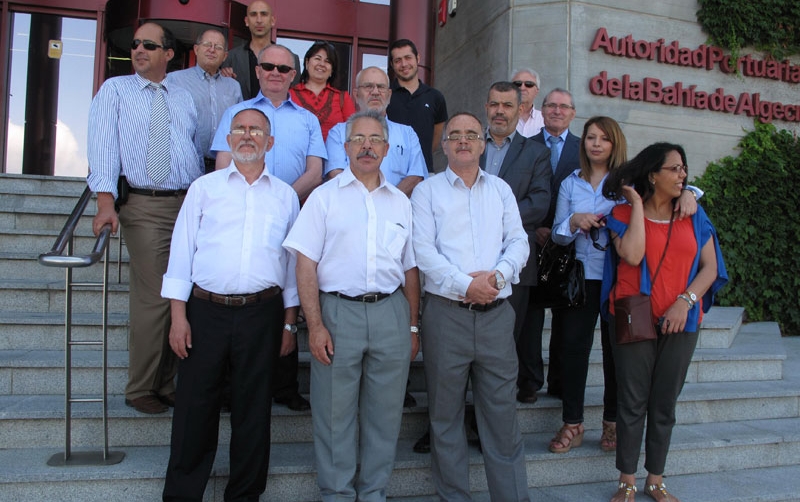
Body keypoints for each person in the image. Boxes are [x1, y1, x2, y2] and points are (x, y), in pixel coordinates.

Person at [161, 108, 299, 501]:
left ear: (269, 142)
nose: (247, 135)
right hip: (205, 313)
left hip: (263, 313)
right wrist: (178, 318)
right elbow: (181, 254)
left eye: (256, 130)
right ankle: (183, 495)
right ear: (229, 139)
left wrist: (289, 324)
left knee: (253, 412)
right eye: (240, 129)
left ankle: (244, 496)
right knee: (193, 410)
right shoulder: (204, 189)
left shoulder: (286, 197)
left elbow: (291, 265)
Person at [283, 110, 420, 501]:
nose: (367, 146)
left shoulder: (400, 203)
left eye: (375, 139)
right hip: (338, 313)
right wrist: (315, 325)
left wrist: (412, 325)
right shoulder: (324, 199)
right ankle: (337, 494)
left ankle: (373, 493)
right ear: (345, 148)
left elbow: (410, 269)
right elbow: (304, 263)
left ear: (387, 149)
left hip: (391, 313)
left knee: (385, 415)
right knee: (333, 416)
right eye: (358, 139)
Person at [411, 112, 530, 501]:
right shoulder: (427, 192)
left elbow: (519, 242)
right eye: (455, 135)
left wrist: (495, 278)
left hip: (496, 317)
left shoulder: (500, 190)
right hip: (446, 317)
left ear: (483, 144)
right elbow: (422, 252)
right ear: (443, 145)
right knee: (445, 419)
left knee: (502, 420)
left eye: (471, 135)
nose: (463, 141)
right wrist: (467, 285)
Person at [86, 22, 202, 415]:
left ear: (168, 54)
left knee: (182, 295)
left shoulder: (184, 96)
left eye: (149, 45)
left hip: (186, 205)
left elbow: (189, 148)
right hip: (144, 206)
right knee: (155, 298)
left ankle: (166, 383)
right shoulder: (115, 91)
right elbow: (102, 146)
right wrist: (105, 201)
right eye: (135, 44)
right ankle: (140, 386)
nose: (138, 50)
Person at [601, 142, 727, 502]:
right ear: (653, 174)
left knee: (664, 403)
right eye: (674, 169)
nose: (682, 175)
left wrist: (685, 303)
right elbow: (634, 254)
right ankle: (627, 479)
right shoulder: (622, 214)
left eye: (683, 169)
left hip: (681, 320)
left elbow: (710, 268)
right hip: (633, 316)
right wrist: (638, 204)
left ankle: (655, 479)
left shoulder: (694, 214)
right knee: (631, 401)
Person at [212, 44, 326, 411]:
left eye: (284, 68)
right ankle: (231, 387)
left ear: (294, 75)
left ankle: (285, 384)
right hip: (239, 213)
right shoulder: (236, 113)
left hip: (292, 212)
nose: (275, 72)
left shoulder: (308, 119)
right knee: (245, 287)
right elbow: (222, 166)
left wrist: (281, 198)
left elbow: (315, 171)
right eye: (268, 66)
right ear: (258, 71)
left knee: (287, 286)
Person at [548, 116, 629, 454]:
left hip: (617, 279)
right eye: (590, 137)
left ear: (614, 145)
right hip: (579, 279)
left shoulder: (628, 184)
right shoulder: (570, 184)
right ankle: (573, 421)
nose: (595, 143)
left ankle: (611, 422)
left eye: (603, 138)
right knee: (572, 350)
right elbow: (556, 234)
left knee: (616, 354)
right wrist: (573, 220)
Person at [481, 81, 552, 406]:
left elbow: (539, 203)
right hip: (466, 265)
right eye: (494, 104)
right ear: (487, 107)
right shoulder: (468, 144)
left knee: (504, 345)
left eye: (507, 105)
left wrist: (491, 216)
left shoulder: (536, 153)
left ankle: (490, 421)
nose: (500, 111)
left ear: (520, 109)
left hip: (516, 265)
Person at [325, 66, 426, 197]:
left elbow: (416, 176)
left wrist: (387, 201)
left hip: (395, 212)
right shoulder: (338, 132)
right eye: (368, 86)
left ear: (389, 95)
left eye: (381, 87)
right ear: (356, 94)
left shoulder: (407, 134)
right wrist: (367, 201)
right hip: (351, 209)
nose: (375, 92)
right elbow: (335, 173)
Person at [169, 29, 242, 173]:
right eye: (207, 44)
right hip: (185, 164)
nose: (212, 50)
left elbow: (239, 125)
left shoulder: (233, 86)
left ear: (225, 56)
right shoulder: (174, 80)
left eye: (218, 47)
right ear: (196, 49)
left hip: (222, 166)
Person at [386, 39, 448, 172]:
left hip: (424, 172)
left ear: (418, 58)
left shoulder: (435, 97)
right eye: (398, 60)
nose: (404, 64)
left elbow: (434, 140)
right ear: (392, 64)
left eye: (408, 58)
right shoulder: (385, 95)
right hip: (391, 173)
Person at [220, 0, 300, 99]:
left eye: (264, 14)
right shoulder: (231, 57)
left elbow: (294, 98)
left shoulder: (291, 59)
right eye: (253, 15)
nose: (259, 20)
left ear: (273, 21)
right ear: (246, 21)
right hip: (242, 113)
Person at [290, 40, 355, 140]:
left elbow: (352, 134)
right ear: (307, 63)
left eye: (327, 61)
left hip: (333, 155)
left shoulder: (343, 98)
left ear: (332, 70)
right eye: (317, 58)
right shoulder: (290, 95)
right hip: (297, 154)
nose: (322, 64)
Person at [510, 68, 544, 137]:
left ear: (536, 91)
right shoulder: (502, 117)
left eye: (529, 84)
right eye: (517, 84)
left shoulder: (544, 120)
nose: (522, 88)